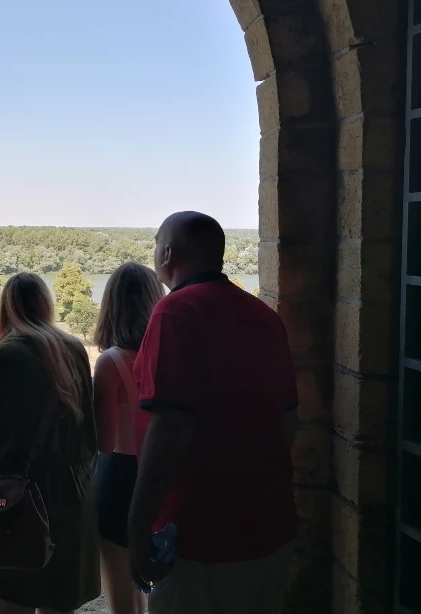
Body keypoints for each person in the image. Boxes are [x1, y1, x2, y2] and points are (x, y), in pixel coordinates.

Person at [128, 212, 299, 614]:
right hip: (268, 525)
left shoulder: (175, 312)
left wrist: (137, 527)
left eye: (156, 244)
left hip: (200, 537)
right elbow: (288, 421)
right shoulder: (263, 316)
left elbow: (168, 430)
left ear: (167, 253)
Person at [0, 272, 100, 614]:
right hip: (71, 493)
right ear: (46, 304)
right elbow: (88, 429)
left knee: (13, 599)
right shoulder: (73, 350)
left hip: (16, 496)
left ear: (6, 308)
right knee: (59, 600)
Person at [90, 263, 163, 614]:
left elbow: (104, 442)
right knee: (155, 580)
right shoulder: (164, 355)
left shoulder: (111, 362)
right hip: (162, 470)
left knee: (122, 592)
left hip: (118, 478)